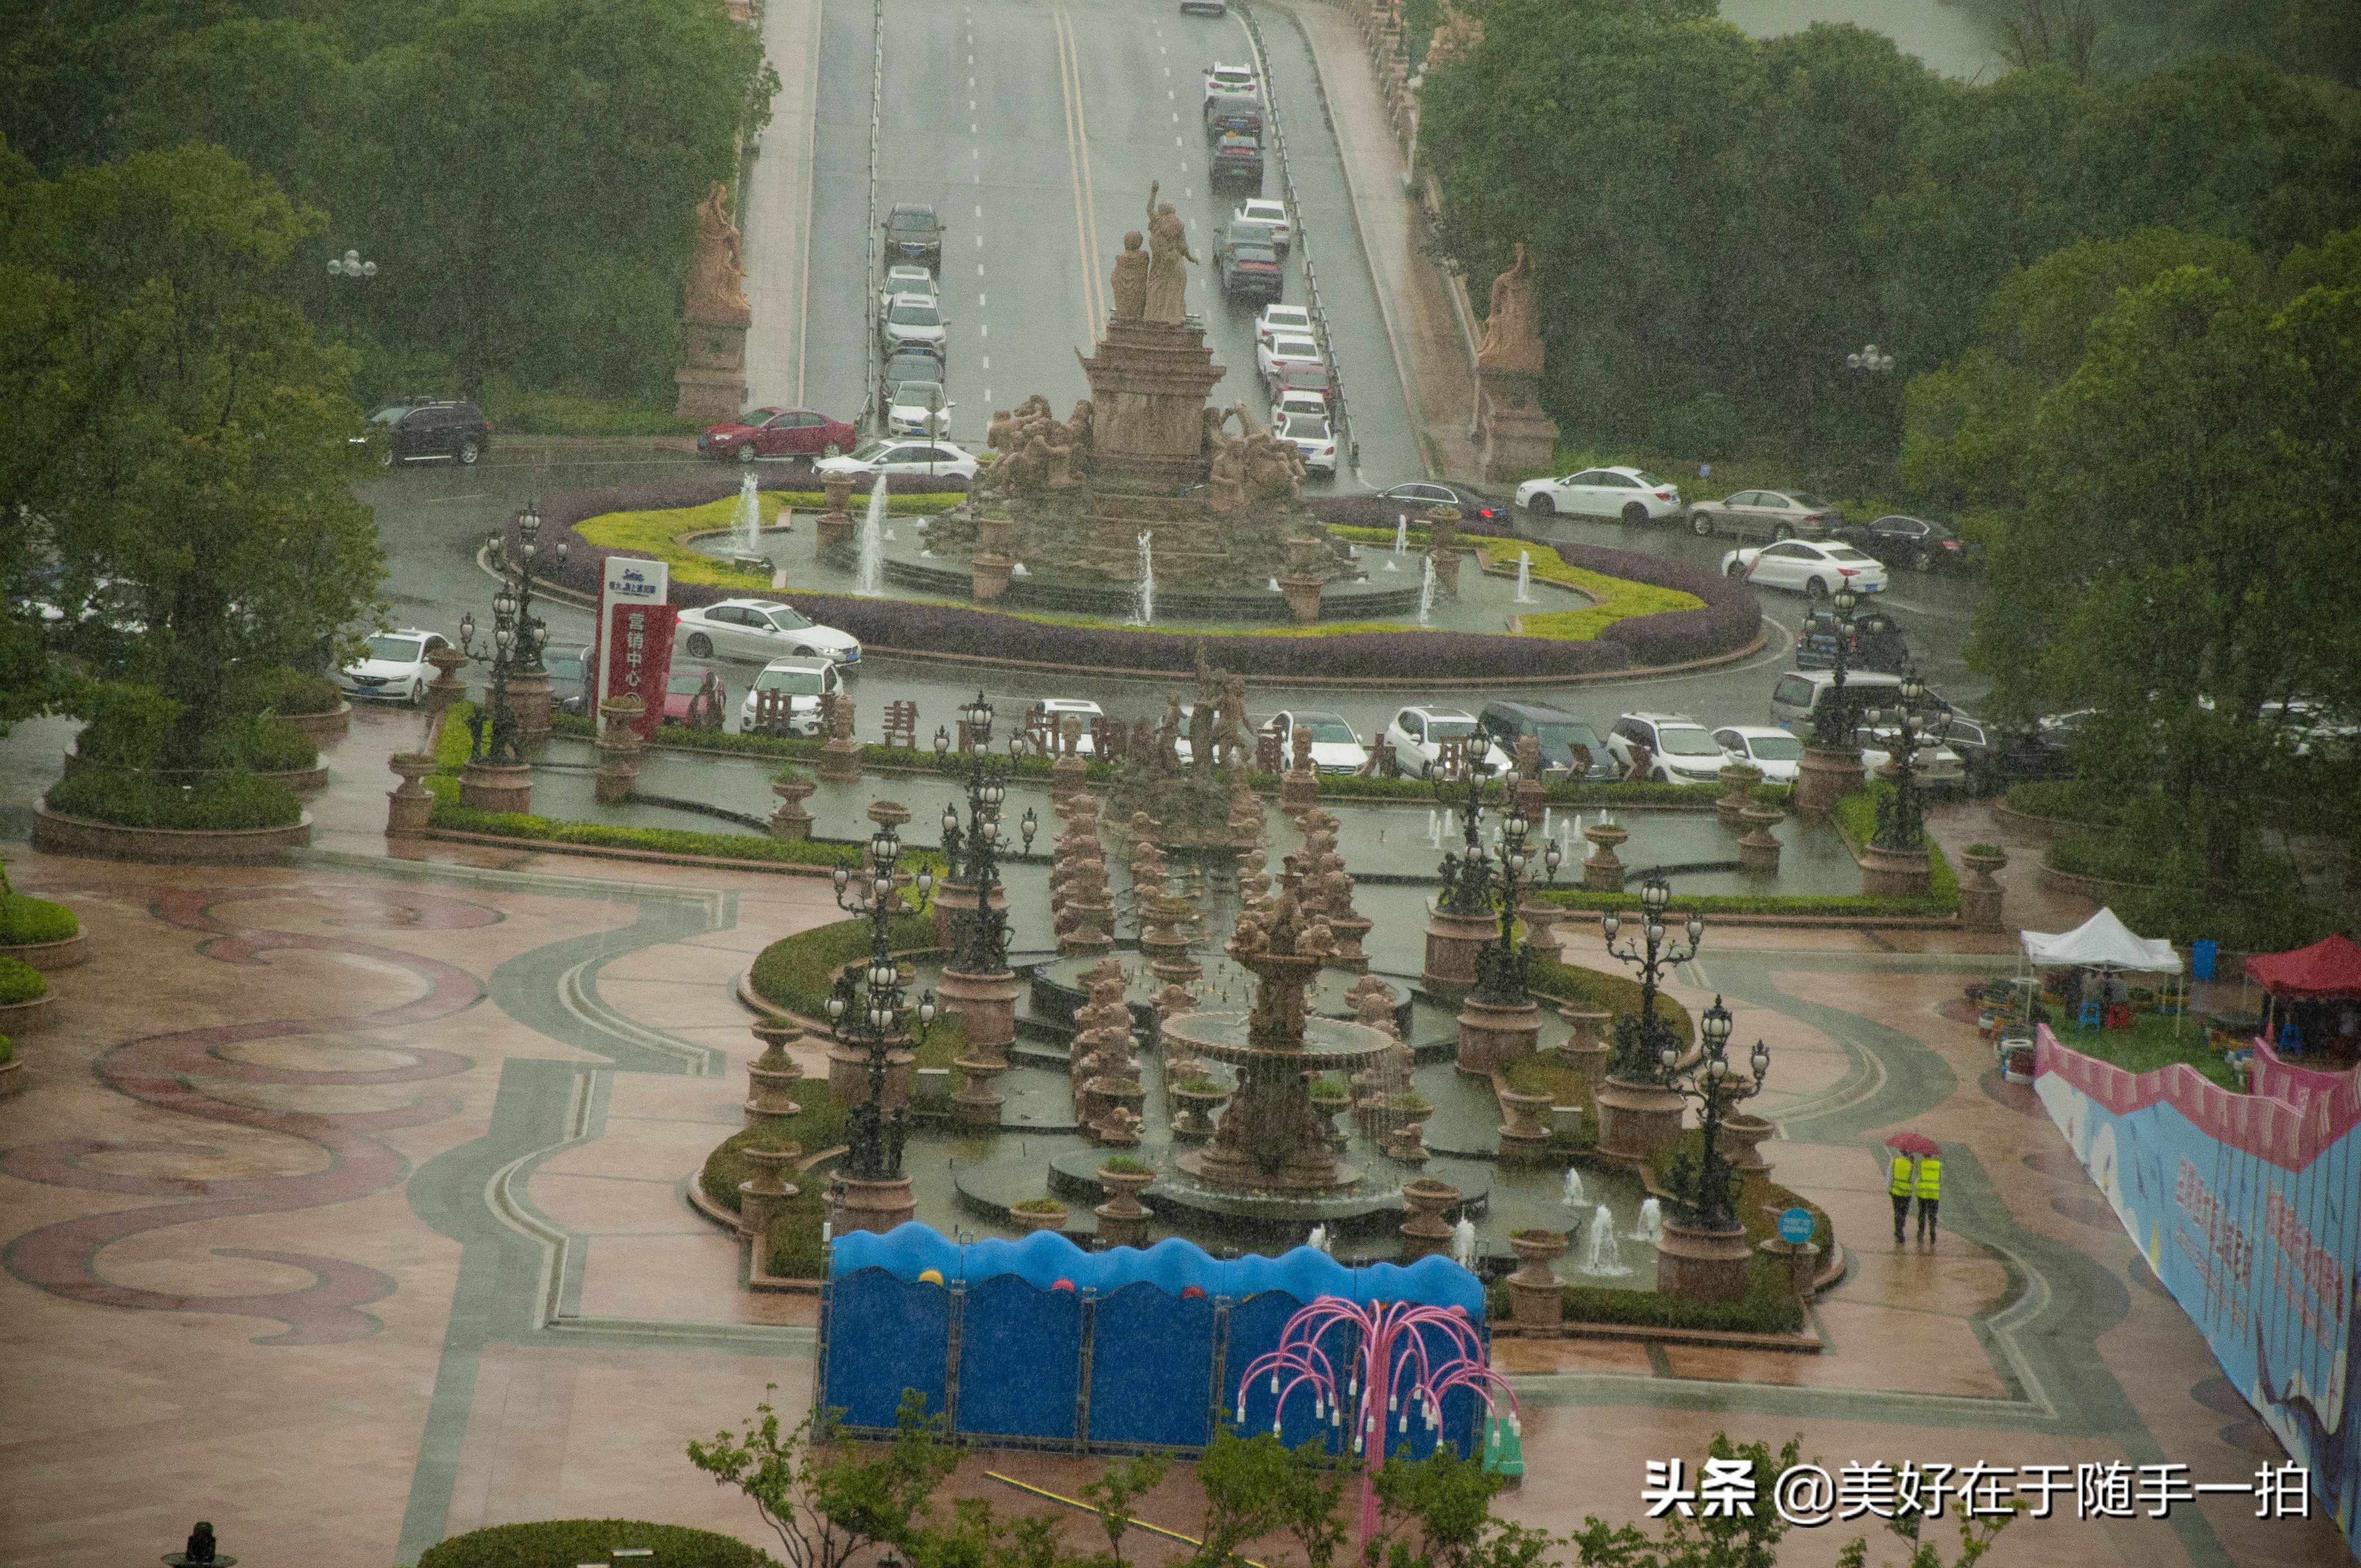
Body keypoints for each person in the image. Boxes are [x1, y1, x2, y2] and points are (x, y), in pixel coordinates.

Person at [1915, 1149, 1943, 1244]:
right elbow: (1939, 1178)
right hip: (1934, 1193)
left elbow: (1917, 1175)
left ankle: (1921, 1233)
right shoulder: (1938, 1164)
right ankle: (1933, 1234)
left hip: (1922, 1193)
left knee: (1922, 1213)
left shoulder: (1920, 1164)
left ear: (1923, 1154)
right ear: (1931, 1154)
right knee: (1933, 1215)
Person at [1889, 1152, 1916, 1245]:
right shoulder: (1911, 1165)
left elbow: (1890, 1176)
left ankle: (1898, 1231)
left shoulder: (1895, 1162)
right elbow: (1913, 1179)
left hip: (1896, 1192)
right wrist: (1913, 1164)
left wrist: (1890, 1188)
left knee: (1897, 1212)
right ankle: (1900, 1229)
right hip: (1906, 1193)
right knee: (1904, 1212)